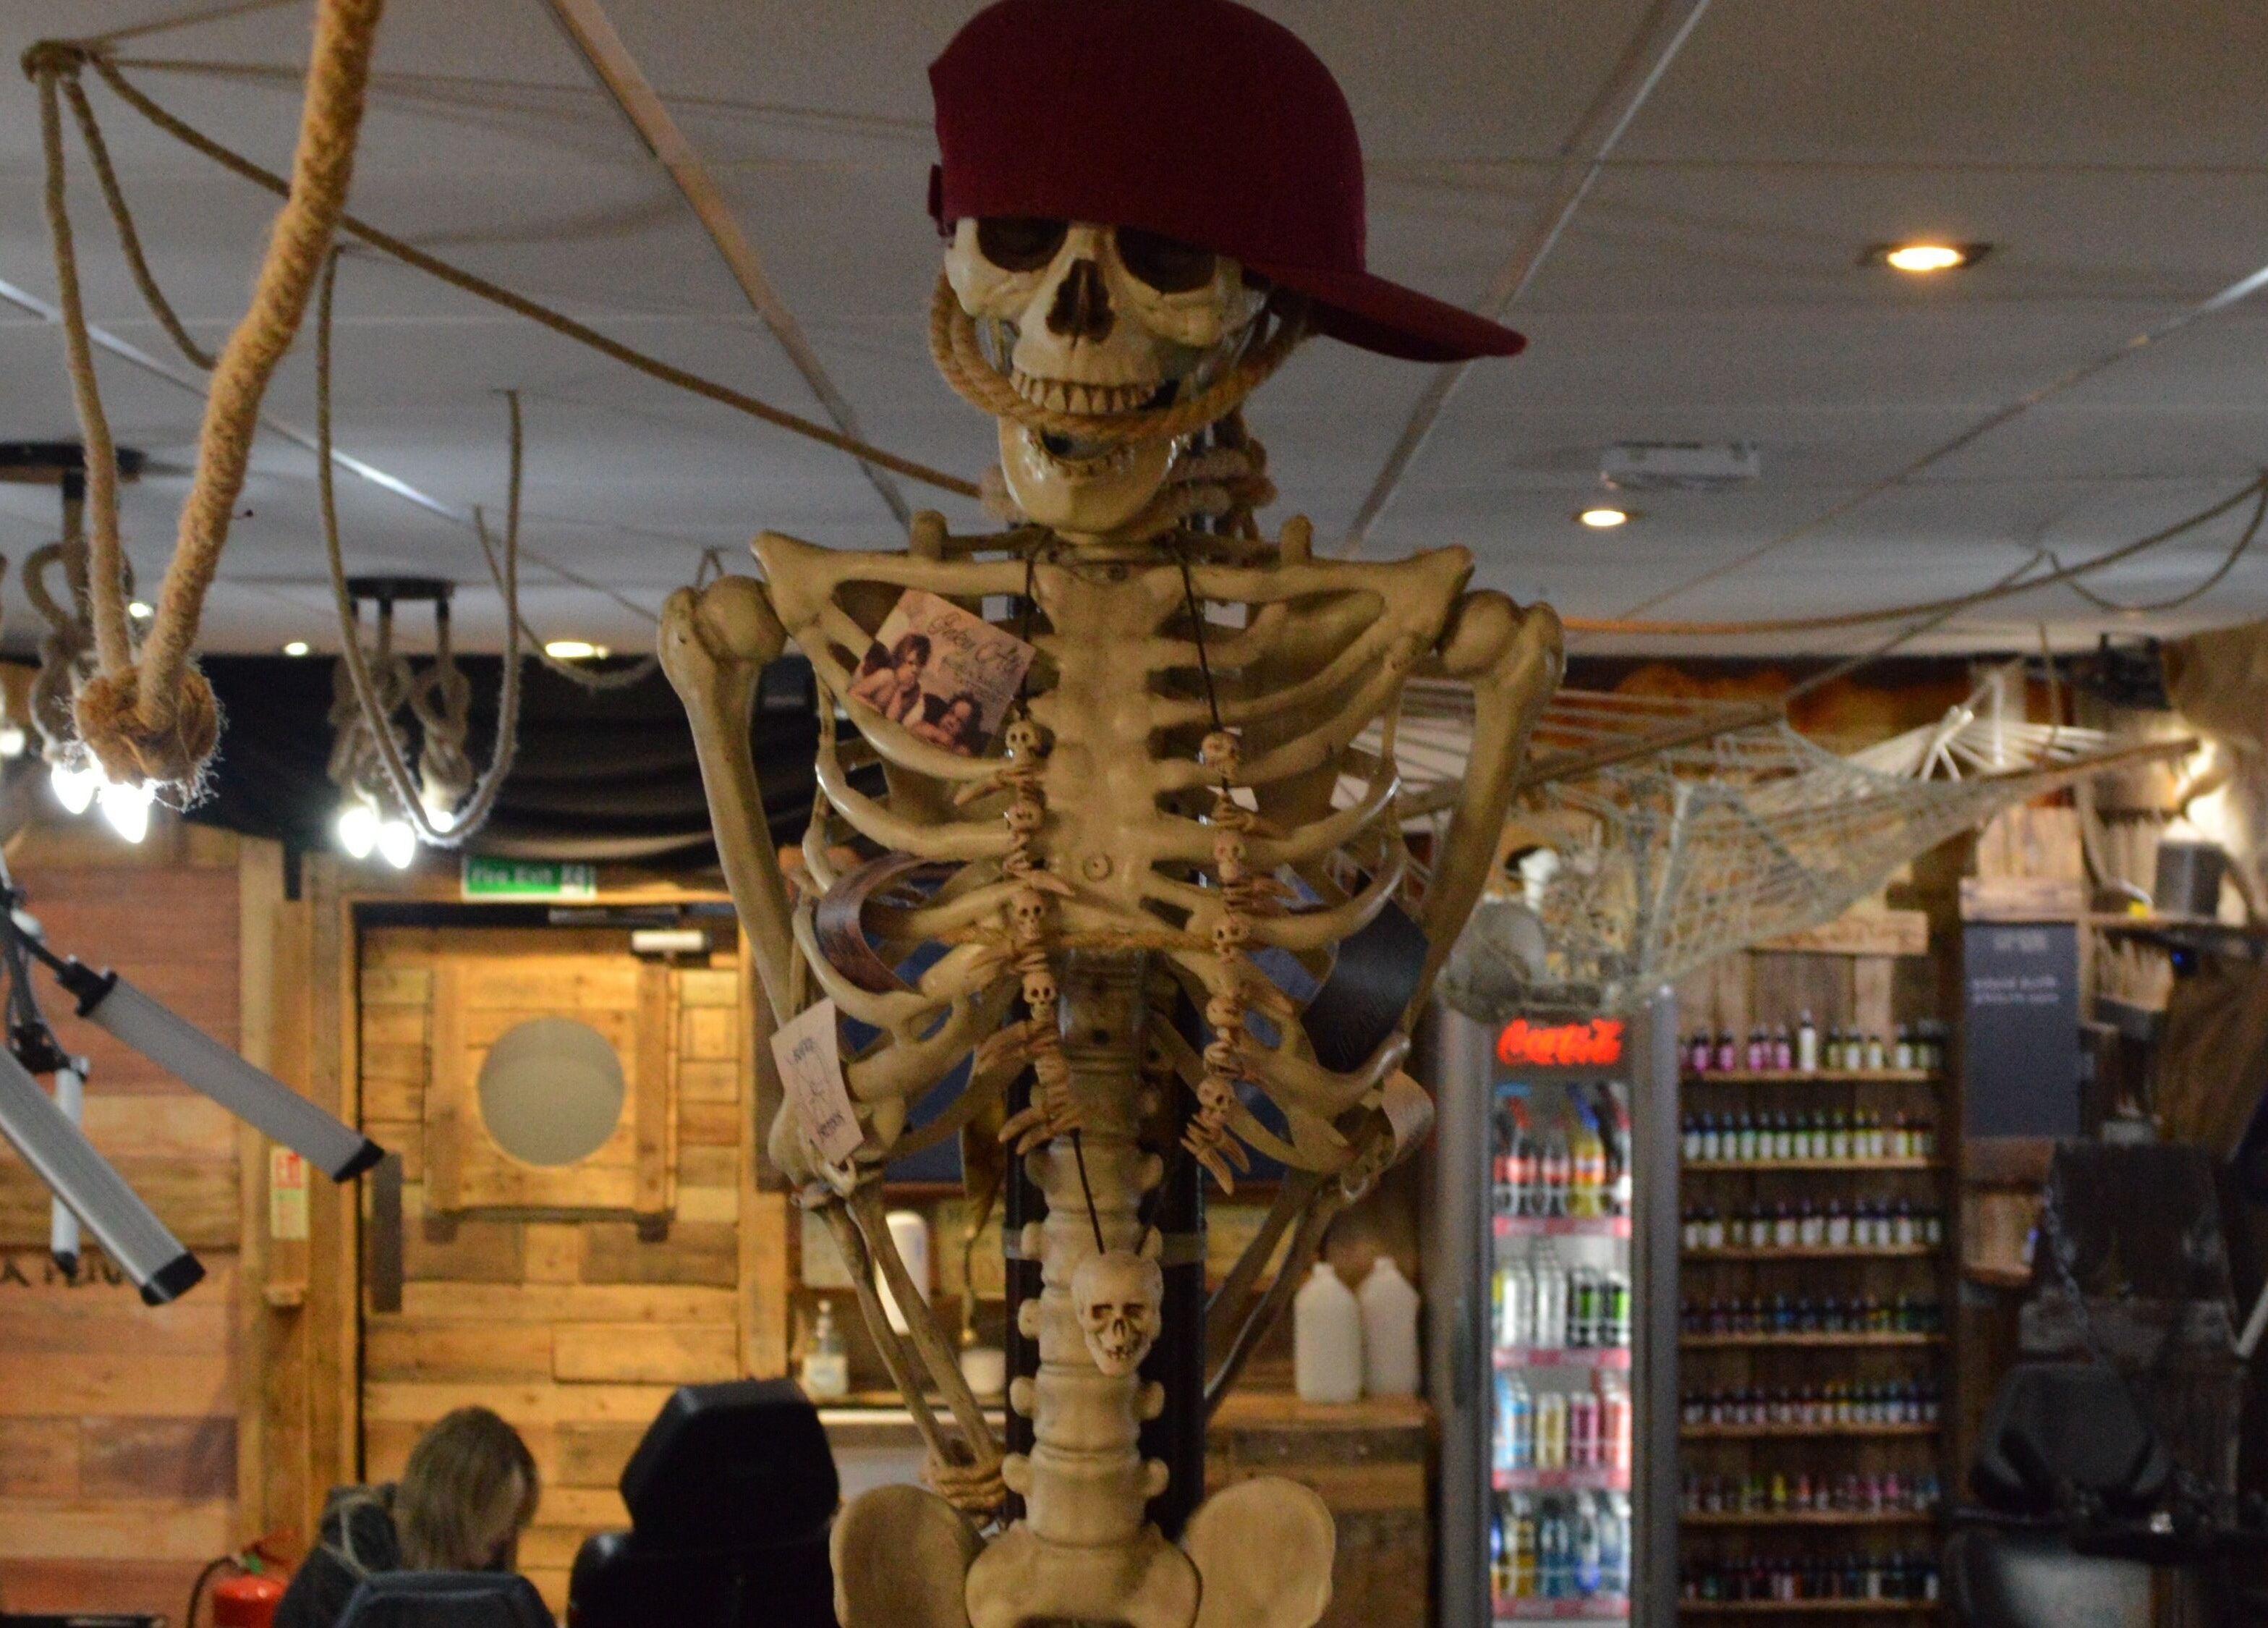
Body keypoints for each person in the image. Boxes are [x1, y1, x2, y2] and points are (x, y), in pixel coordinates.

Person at [274, 1406, 540, 1628]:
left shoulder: (484, 1574)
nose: (507, 1533)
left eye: (514, 1518)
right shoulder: (350, 1563)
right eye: (499, 1513)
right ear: (456, 1511)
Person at [846, 632, 932, 723]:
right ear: (901, 658)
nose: (915, 670)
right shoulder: (886, 675)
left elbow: (891, 721)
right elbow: (852, 692)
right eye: (910, 663)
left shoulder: (914, 691)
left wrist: (899, 691)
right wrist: (874, 709)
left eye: (920, 665)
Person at [911, 690, 985, 755]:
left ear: (964, 731)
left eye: (960, 721)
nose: (951, 722)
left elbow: (964, 753)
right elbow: (916, 728)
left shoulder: (959, 748)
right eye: (951, 713)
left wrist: (950, 744)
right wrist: (938, 734)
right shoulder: (927, 726)